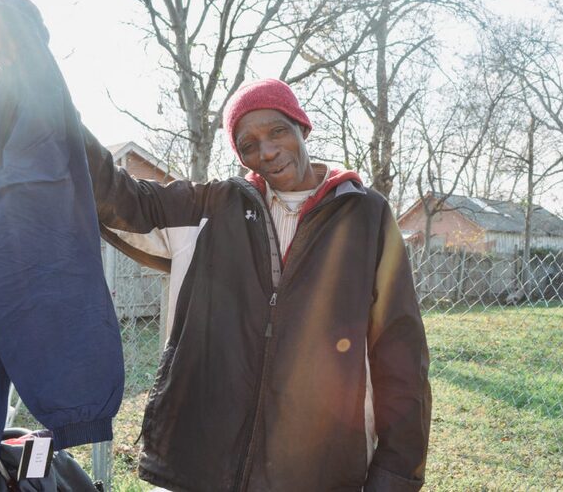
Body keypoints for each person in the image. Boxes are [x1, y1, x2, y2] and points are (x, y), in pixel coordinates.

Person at [84, 78, 431, 491]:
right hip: (203, 462)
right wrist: (44, 95)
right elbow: (120, 196)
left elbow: (401, 351)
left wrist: (395, 475)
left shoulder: (365, 214)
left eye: (277, 132)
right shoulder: (213, 206)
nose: (266, 151)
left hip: (318, 469)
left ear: (302, 127)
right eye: (249, 145)